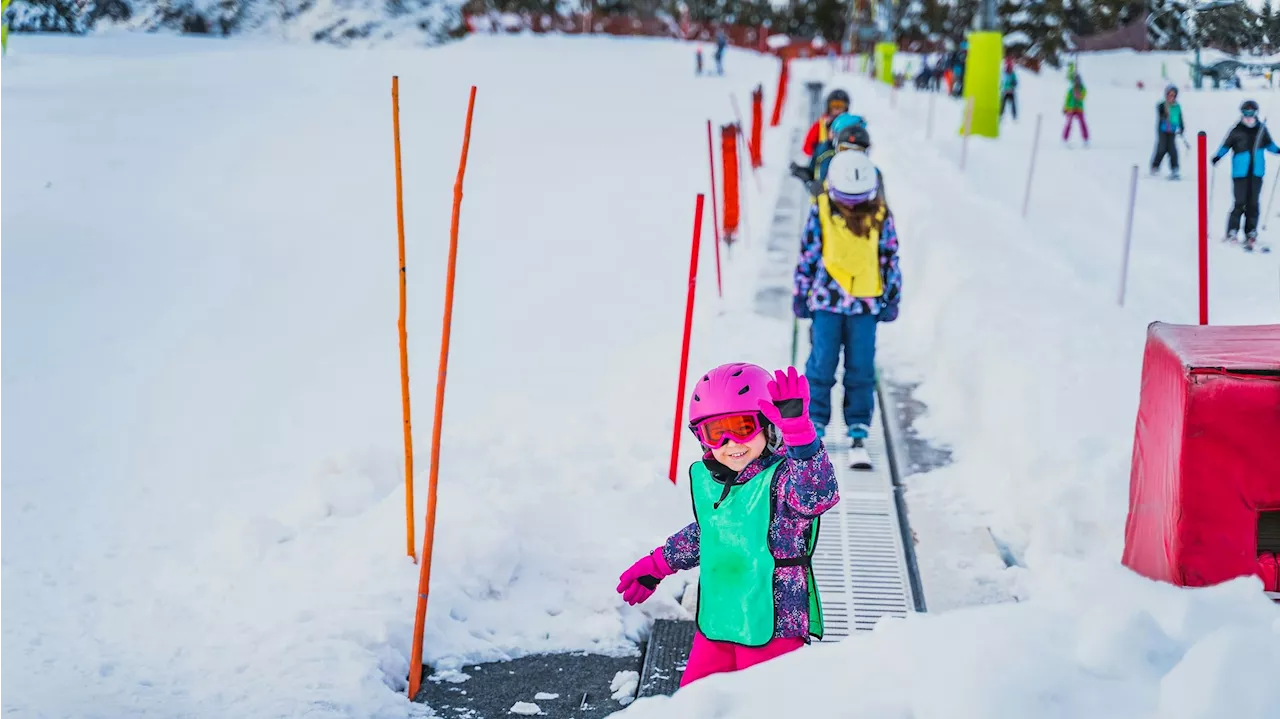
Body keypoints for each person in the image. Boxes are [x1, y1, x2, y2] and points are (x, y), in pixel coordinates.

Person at [615, 364, 838, 687]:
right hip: (720, 621)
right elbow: (709, 533)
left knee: (764, 705)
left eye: (742, 427)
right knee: (696, 702)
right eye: (716, 432)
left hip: (773, 626)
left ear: (768, 425)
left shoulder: (784, 482)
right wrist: (657, 565)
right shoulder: (716, 482)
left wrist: (800, 436)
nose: (731, 442)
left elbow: (818, 495)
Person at [793, 152, 901, 469]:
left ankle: (858, 428)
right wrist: (801, 291)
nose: (851, 206)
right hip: (827, 301)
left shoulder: (880, 214)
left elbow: (889, 256)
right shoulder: (822, 210)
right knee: (821, 364)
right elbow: (808, 253)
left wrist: (892, 295)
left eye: (858, 200)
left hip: (865, 304)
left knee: (861, 368)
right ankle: (816, 425)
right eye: (846, 199)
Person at [1211, 100, 1280, 249]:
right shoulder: (1236, 130)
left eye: (1251, 112)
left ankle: (1251, 232)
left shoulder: (1261, 130)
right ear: (1242, 113)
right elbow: (1226, 145)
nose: (1249, 116)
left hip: (1256, 172)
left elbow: (1270, 145)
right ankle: (1232, 231)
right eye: (1246, 112)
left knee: (1253, 203)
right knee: (1239, 202)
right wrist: (1218, 156)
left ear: (1256, 113)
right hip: (1240, 173)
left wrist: (1278, 150)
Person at [801, 89, 850, 158]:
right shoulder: (820, 125)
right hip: (823, 161)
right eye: (834, 105)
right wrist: (819, 147)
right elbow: (807, 148)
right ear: (828, 107)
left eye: (840, 105)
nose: (837, 109)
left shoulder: (850, 125)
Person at [1152, 84, 1185, 179]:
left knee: (1172, 150)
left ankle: (1175, 168)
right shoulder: (1162, 105)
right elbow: (1161, 114)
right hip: (1162, 130)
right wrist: (1165, 114)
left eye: (1173, 95)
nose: (1172, 97)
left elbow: (1180, 117)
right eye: (1170, 95)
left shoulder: (1177, 106)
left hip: (1172, 130)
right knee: (1162, 148)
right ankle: (1155, 166)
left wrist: (1182, 127)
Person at [1062, 75, 1088, 145]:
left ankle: (1086, 139)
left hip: (1079, 108)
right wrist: (1065, 108)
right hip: (1071, 108)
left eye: (1078, 81)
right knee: (1068, 123)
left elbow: (1082, 97)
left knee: (1082, 123)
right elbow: (1067, 100)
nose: (1077, 82)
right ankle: (1065, 139)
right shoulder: (1070, 90)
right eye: (1075, 81)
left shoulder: (1083, 89)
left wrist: (1078, 94)